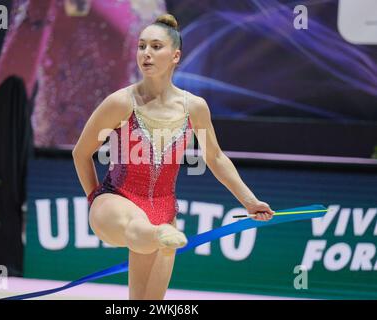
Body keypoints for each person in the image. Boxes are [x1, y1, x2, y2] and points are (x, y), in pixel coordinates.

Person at [72, 13, 275, 300]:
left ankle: (158, 234)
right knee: (140, 228)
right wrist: (94, 199)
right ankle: (155, 235)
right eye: (141, 46)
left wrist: (250, 201)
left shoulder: (194, 107)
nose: (146, 53)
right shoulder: (120, 103)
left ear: (175, 55)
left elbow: (215, 158)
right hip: (116, 201)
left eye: (156, 47)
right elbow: (81, 153)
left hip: (164, 213)